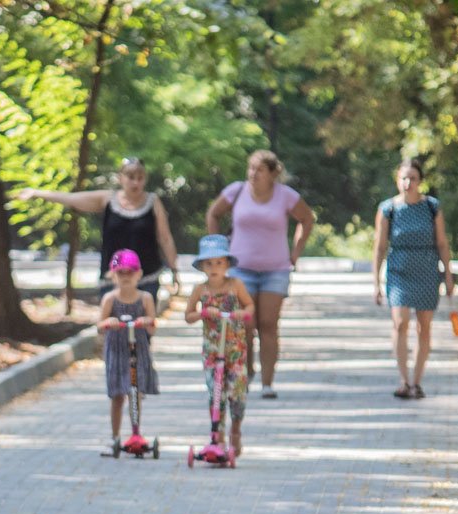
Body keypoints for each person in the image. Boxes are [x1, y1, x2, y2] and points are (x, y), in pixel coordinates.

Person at [205, 149, 315, 399]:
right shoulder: (236, 191)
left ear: (272, 174)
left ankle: (268, 383)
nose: (253, 174)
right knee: (244, 322)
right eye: (251, 168)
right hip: (240, 267)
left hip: (275, 269)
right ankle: (247, 370)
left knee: (268, 324)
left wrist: (296, 251)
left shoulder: (285, 196)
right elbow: (213, 213)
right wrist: (218, 248)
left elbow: (307, 219)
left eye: (259, 169)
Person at [17, 157, 181, 300]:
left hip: (146, 278)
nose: (136, 182)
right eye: (131, 177)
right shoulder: (107, 199)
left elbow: (165, 238)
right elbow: (72, 199)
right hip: (112, 277)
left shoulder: (153, 201)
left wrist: (175, 270)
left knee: (143, 330)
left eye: (140, 177)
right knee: (111, 330)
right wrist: (36, 193)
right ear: (120, 178)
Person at [372, 158, 455, 399]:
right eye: (403, 178)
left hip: (427, 270)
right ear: (397, 180)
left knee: (424, 326)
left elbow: (442, 242)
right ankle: (403, 380)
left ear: (421, 181)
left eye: (413, 178)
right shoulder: (388, 208)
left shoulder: (432, 207)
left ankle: (416, 381)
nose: (408, 183)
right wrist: (376, 282)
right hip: (399, 271)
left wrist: (448, 276)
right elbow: (379, 246)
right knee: (400, 322)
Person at [185, 235, 255, 456]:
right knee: (215, 392)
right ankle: (218, 436)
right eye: (209, 263)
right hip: (212, 350)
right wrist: (203, 313)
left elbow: (250, 306)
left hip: (234, 349)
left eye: (219, 262)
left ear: (227, 264)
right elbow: (188, 315)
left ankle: (235, 430)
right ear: (202, 266)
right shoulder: (200, 290)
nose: (214, 267)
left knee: (237, 392)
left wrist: (242, 313)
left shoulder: (235, 285)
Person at [98, 249, 158, 450]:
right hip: (116, 350)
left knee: (135, 391)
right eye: (120, 273)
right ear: (113, 275)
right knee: (117, 394)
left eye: (130, 272)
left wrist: (146, 321)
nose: (125, 277)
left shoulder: (145, 298)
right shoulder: (110, 298)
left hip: (137, 348)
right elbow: (99, 326)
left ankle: (136, 432)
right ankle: (115, 436)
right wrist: (109, 322)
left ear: (139, 274)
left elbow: (152, 326)